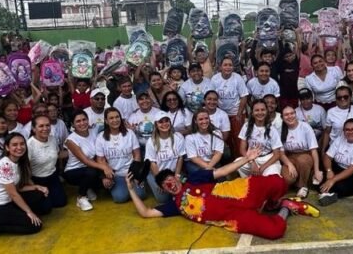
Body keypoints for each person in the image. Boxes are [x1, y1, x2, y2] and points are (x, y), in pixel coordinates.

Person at [126, 145, 319, 239]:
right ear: (163, 189)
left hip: (240, 192)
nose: (171, 184)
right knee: (275, 231)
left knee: (277, 182)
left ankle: (272, 203)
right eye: (166, 185)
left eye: (171, 180)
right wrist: (130, 188)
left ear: (176, 177)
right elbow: (146, 212)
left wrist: (246, 159)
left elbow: (222, 171)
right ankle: (285, 207)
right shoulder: (174, 206)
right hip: (233, 217)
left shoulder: (194, 178)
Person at [0, 133, 49, 241]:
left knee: (39, 195)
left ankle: (16, 216)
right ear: (7, 148)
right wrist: (29, 212)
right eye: (14, 145)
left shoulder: (17, 162)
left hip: (9, 201)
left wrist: (36, 187)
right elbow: (13, 194)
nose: (19, 147)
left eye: (22, 144)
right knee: (35, 226)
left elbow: (17, 188)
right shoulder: (5, 165)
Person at [94, 107, 144, 203]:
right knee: (120, 198)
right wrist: (104, 176)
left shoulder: (130, 133)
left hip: (130, 172)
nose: (115, 120)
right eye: (111, 118)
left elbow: (137, 155)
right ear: (106, 121)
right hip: (115, 174)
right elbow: (100, 160)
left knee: (141, 195)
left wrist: (134, 173)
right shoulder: (100, 137)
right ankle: (120, 187)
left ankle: (129, 186)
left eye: (117, 117)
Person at [319, 118, 353, 206]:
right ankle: (328, 190)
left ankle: (329, 191)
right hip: (339, 168)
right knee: (319, 172)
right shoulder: (340, 139)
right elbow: (327, 157)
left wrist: (332, 180)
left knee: (339, 187)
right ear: (343, 131)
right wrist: (329, 170)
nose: (350, 132)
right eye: (347, 129)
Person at [63, 112, 104, 211]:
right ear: (72, 124)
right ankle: (81, 197)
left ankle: (87, 187)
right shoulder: (70, 140)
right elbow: (85, 160)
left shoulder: (93, 131)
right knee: (91, 172)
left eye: (84, 119)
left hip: (90, 167)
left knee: (96, 176)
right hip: (73, 171)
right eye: (78, 121)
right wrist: (104, 167)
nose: (82, 123)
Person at [279, 105, 321, 198]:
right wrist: (289, 164)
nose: (290, 116)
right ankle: (302, 178)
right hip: (290, 157)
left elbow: (314, 150)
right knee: (288, 179)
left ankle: (302, 186)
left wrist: (317, 170)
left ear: (296, 114)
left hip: (305, 155)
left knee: (303, 160)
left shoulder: (305, 127)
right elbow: (281, 153)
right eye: (286, 115)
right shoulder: (281, 130)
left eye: (292, 113)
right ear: (282, 117)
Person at [27, 115, 67, 213]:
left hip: (52, 176)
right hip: (36, 179)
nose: (45, 128)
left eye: (47, 125)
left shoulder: (52, 139)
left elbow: (58, 154)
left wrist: (75, 151)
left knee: (60, 203)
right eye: (41, 126)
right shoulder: (29, 145)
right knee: (46, 209)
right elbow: (25, 170)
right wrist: (35, 186)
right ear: (34, 129)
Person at [237, 100, 287, 179]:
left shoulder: (272, 129)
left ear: (266, 111)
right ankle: (250, 181)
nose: (260, 113)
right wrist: (252, 162)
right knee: (237, 163)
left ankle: (260, 179)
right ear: (252, 113)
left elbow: (277, 154)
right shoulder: (246, 126)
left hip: (268, 159)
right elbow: (242, 149)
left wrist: (262, 168)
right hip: (251, 158)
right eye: (257, 110)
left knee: (271, 178)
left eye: (263, 110)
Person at [210, 57, 249, 154]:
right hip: (222, 113)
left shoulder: (238, 78)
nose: (228, 67)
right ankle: (229, 159)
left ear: (233, 67)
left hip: (236, 112)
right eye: (225, 65)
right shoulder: (215, 79)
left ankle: (240, 158)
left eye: (230, 65)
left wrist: (239, 114)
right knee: (225, 138)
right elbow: (211, 96)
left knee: (238, 138)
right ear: (220, 67)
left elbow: (244, 96)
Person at [146, 113, 186, 203]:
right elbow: (152, 163)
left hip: (173, 173)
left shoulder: (178, 137)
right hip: (158, 173)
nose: (164, 124)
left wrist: (177, 176)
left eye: (166, 121)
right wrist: (160, 182)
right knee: (163, 199)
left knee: (182, 192)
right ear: (156, 124)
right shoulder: (151, 141)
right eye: (161, 122)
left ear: (170, 122)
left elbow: (180, 158)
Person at [184, 108, 225, 175]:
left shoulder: (217, 133)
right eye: (201, 119)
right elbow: (194, 158)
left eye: (206, 118)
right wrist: (209, 168)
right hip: (196, 165)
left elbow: (218, 154)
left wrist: (210, 167)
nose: (204, 121)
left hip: (212, 163)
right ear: (195, 121)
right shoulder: (189, 137)